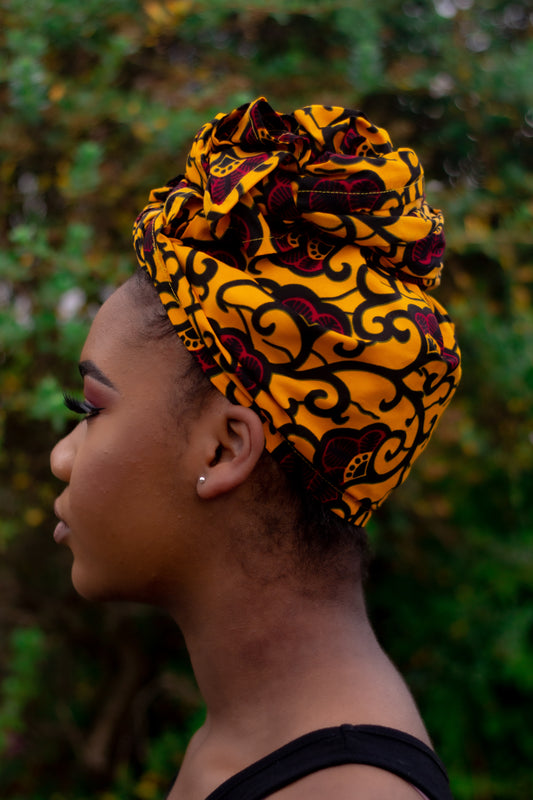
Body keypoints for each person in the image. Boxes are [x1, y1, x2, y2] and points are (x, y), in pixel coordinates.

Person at [50, 98, 461, 800]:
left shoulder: (343, 794)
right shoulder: (250, 743)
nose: (62, 455)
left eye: (90, 409)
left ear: (224, 447)